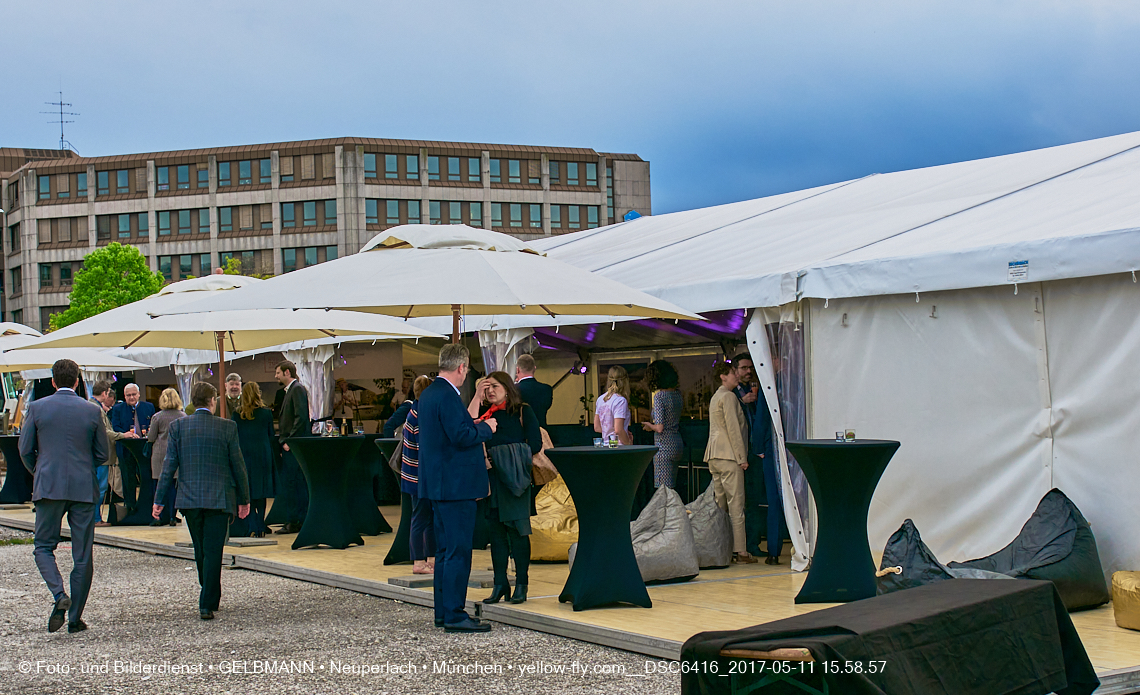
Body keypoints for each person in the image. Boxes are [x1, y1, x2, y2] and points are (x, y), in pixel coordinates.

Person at [19, 359, 109, 634]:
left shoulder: (36, 408)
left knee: (43, 546)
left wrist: (41, 469)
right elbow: (103, 454)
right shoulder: (92, 411)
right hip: (83, 487)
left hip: (49, 485)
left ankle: (59, 595)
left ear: (53, 381)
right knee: (83, 555)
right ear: (79, 381)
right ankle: (75, 618)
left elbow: (24, 449)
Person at [154, 382, 250, 620]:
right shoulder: (227, 427)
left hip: (189, 498)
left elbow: (169, 465)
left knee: (200, 548)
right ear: (212, 401)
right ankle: (207, 600)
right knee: (214, 549)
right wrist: (244, 498)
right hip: (219, 497)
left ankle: (207, 594)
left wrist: (159, 499)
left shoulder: (178, 427)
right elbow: (238, 466)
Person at [417, 343, 496, 633]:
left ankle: (444, 611)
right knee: (458, 552)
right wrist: (487, 428)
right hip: (456, 485)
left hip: (438, 484)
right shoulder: (448, 396)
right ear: (461, 367)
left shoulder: (428, 394)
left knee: (445, 551)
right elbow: (461, 435)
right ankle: (454, 614)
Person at [468, 371, 541, 605]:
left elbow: (536, 444)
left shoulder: (522, 411)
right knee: (496, 533)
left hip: (516, 479)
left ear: (508, 388)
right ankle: (500, 583)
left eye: (495, 387)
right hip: (492, 479)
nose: (490, 391)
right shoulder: (483, 415)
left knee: (518, 532)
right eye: (487, 388)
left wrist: (502, 454)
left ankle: (522, 584)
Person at [733, 353, 785, 564]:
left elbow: (761, 419)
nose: (748, 371)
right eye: (744, 368)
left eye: (750, 367)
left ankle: (764, 547)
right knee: (755, 499)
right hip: (749, 453)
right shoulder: (733, 394)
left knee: (763, 499)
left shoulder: (764, 386)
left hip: (761, 450)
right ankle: (752, 545)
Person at [704, 361, 758, 564]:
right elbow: (734, 429)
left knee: (720, 504)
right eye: (732, 372)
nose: (736, 375)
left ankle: (720, 545)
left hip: (714, 454)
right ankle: (741, 551)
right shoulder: (728, 397)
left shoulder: (716, 396)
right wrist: (742, 457)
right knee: (736, 503)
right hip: (729, 455)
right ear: (723, 376)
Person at [231, 382, 277, 537]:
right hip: (263, 454)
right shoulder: (266, 413)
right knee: (262, 490)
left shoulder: (237, 413)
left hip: (244, 454)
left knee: (247, 490)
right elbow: (271, 435)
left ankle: (251, 524)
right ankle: (260, 524)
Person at [90, 380, 138, 527]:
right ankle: (96, 518)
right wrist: (122, 435)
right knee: (100, 487)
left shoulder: (94, 406)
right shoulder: (96, 409)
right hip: (101, 456)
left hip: (98, 455)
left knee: (98, 486)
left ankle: (95, 517)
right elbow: (104, 431)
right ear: (104, 393)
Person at [399, 375, 435, 574]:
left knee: (425, 517)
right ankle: (419, 561)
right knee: (421, 518)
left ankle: (430, 558)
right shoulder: (422, 415)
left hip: (413, 476)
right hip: (420, 477)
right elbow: (425, 448)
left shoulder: (413, 411)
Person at [273, 360, 310, 535]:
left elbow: (301, 417)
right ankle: (294, 519)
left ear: (287, 372)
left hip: (294, 447)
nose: (276, 376)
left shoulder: (297, 390)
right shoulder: (293, 390)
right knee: (292, 483)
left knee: (295, 483)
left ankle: (296, 520)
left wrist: (290, 440)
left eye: (278, 373)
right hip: (292, 445)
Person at [110, 383, 156, 512]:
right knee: (128, 477)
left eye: (134, 394)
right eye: (128, 395)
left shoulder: (148, 407)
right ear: (124, 396)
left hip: (143, 449)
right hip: (126, 448)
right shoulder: (118, 409)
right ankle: (129, 506)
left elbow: (153, 424)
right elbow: (115, 426)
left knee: (145, 477)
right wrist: (126, 434)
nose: (131, 397)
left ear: (139, 394)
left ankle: (147, 506)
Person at [640, 360, 683, 488]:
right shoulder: (677, 394)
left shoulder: (659, 397)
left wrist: (649, 425)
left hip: (664, 445)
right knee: (672, 488)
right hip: (677, 442)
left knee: (662, 490)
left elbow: (659, 427)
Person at [146, 388, 186, 526]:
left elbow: (151, 437)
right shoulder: (183, 416)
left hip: (159, 454)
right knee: (174, 486)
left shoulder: (157, 416)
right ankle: (173, 516)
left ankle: (160, 516)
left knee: (159, 484)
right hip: (177, 453)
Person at [594, 366, 632, 446]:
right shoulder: (620, 400)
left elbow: (597, 427)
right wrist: (628, 443)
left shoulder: (601, 399)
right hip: (619, 446)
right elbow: (618, 429)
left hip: (605, 445)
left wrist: (608, 431)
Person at [514, 354, 553, 428]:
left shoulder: (514, 389)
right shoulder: (546, 389)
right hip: (541, 430)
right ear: (534, 369)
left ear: (518, 370)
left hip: (520, 432)